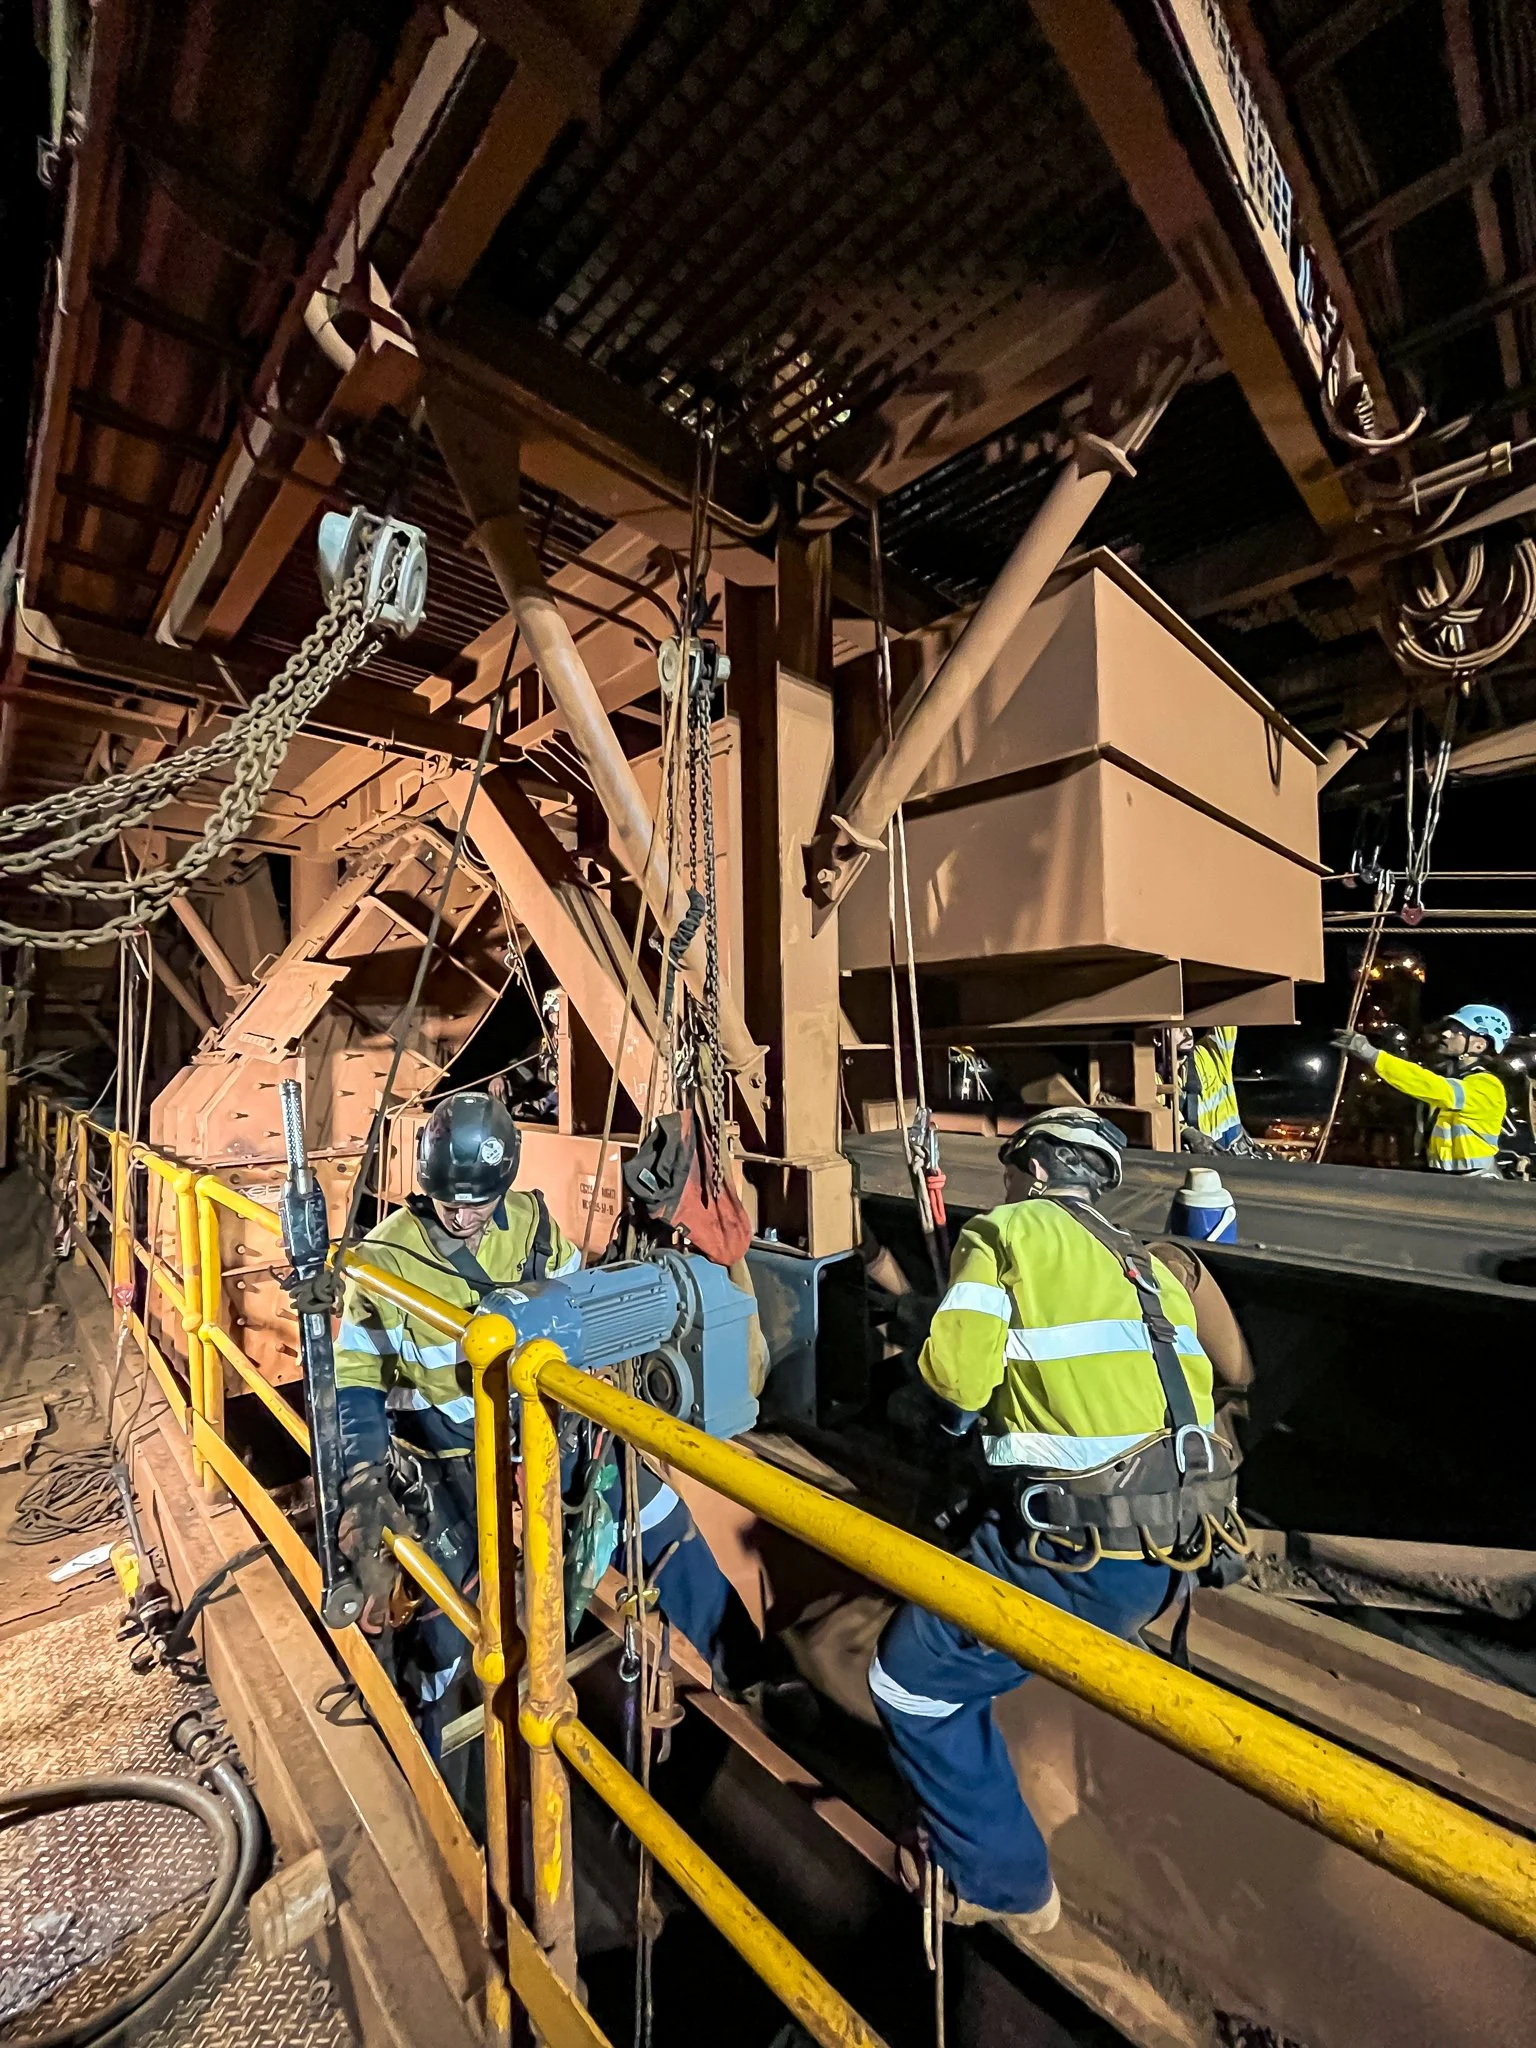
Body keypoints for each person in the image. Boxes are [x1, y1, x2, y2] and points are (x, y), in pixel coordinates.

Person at [868, 1109, 1244, 1939]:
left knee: (910, 1680)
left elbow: (960, 1388)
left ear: (1033, 1172)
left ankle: (1005, 1884)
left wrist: (941, 1402)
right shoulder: (1142, 1261)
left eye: (1010, 1171)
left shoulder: (1004, 1233)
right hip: (1173, 1545)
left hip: (1081, 1549)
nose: (1006, 1186)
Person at [333, 1089, 731, 1744]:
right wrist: (361, 1484)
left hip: (547, 1431)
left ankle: (748, 1674)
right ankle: (417, 1745)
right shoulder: (384, 1261)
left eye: (478, 1201)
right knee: (446, 1621)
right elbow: (355, 1385)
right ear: (427, 1182)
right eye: (450, 1201)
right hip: (455, 1454)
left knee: (659, 1519)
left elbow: (580, 1303)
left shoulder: (533, 1227)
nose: (463, 1216)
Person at [1332, 1003, 1512, 1175]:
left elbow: (1425, 1083)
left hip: (1475, 1182)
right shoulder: (1456, 1078)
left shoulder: (1486, 1086)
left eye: (1458, 1031)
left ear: (1479, 1045)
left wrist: (1372, 1054)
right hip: (1448, 1177)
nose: (1446, 1034)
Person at [1173, 1025, 1249, 1152]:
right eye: (1179, 1029)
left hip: (1233, 1150)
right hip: (1201, 1158)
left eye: (1188, 1026)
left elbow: (1225, 1021)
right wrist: (1185, 1132)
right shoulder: (1157, 1077)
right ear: (1157, 1039)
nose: (1188, 1033)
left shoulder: (1212, 1054)